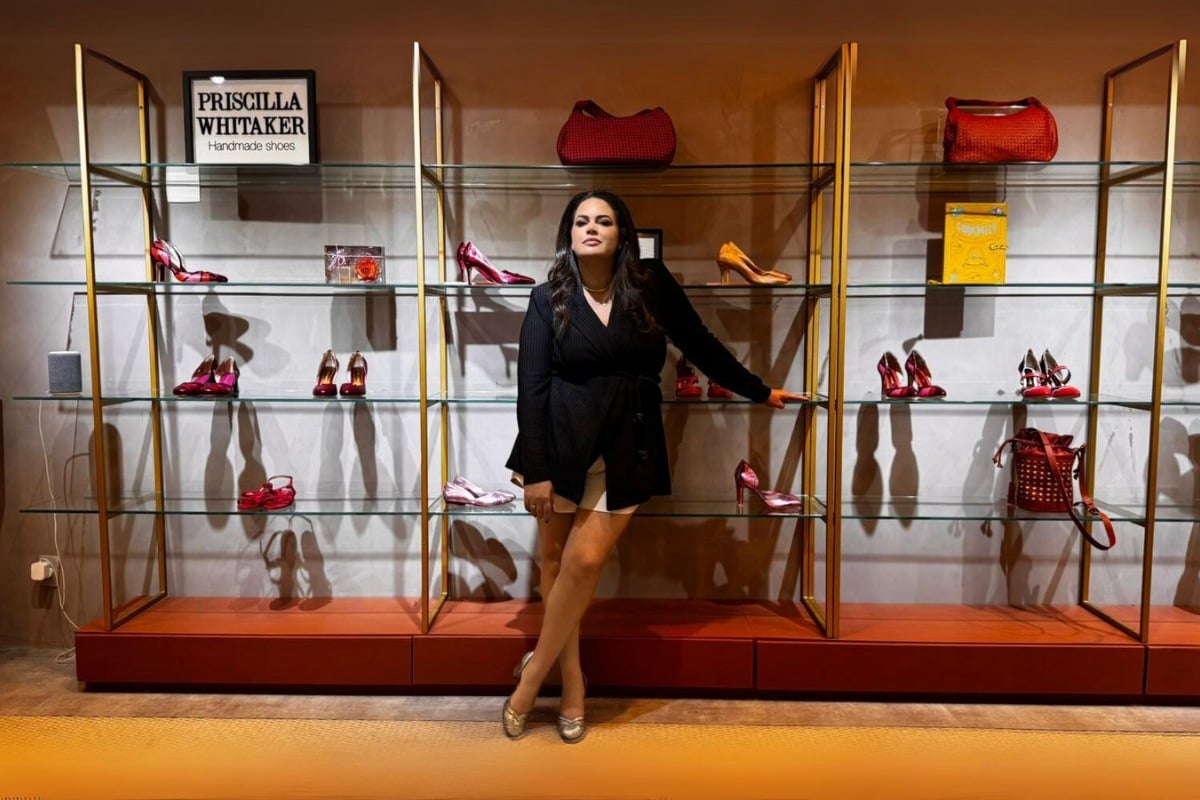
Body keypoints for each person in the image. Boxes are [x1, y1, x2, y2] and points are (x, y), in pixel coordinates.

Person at [503, 189, 802, 743]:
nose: (592, 228)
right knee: (553, 560)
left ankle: (531, 678)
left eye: (605, 220)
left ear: (622, 234)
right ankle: (572, 683)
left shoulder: (650, 284)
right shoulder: (548, 298)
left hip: (628, 441)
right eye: (582, 221)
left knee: (584, 561)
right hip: (559, 443)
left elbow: (700, 344)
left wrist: (759, 391)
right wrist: (538, 470)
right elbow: (531, 387)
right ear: (568, 234)